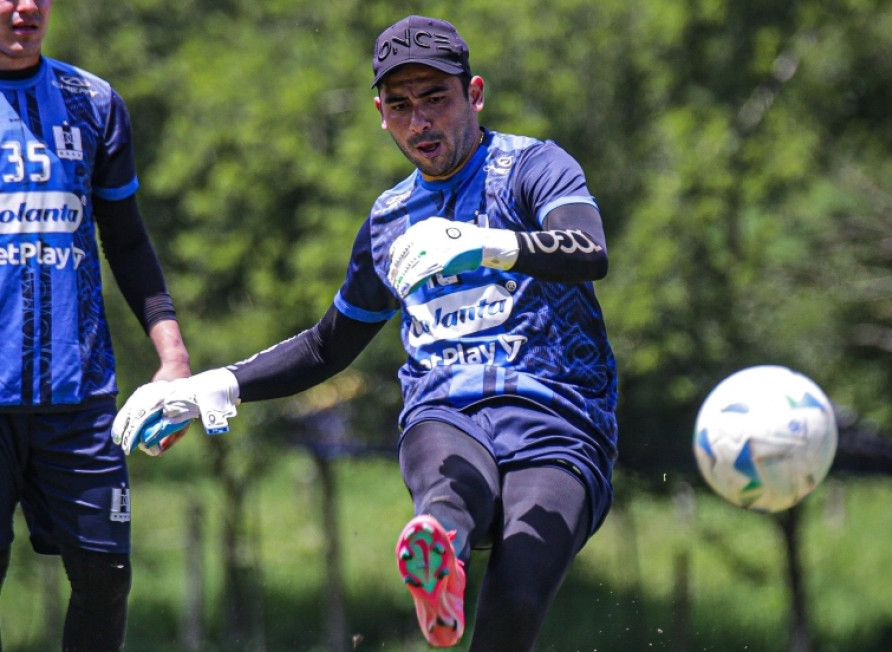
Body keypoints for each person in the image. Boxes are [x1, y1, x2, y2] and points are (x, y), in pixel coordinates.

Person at [114, 14, 616, 650]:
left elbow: (589, 248)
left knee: (516, 600)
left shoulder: (533, 167)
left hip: (558, 417)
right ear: (380, 113)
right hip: (449, 409)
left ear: (476, 94)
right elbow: (328, 345)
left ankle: (454, 570)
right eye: (401, 105)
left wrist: (486, 245)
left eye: (436, 98)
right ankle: (437, 554)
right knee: (447, 491)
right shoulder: (388, 221)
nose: (420, 121)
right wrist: (218, 384)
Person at [0, 1, 192, 650]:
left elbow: (128, 240)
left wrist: (172, 356)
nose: (22, 8)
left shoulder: (94, 101)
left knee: (107, 577)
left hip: (78, 395)